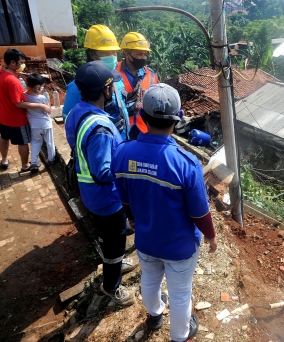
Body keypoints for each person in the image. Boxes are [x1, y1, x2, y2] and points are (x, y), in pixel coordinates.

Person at [113, 83, 218, 342]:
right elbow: (199, 213)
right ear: (177, 118)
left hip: (147, 240)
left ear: (143, 117)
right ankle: (180, 335)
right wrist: (211, 236)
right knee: (180, 292)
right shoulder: (186, 163)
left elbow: (124, 200)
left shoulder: (123, 153)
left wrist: (136, 221)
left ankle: (155, 314)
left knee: (150, 279)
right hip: (179, 247)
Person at [65, 61, 136, 306]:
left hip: (89, 193)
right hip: (105, 199)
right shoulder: (102, 129)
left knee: (113, 238)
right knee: (114, 241)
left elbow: (74, 143)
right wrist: (127, 162)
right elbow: (104, 173)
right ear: (106, 90)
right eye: (112, 86)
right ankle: (111, 287)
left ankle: (115, 261)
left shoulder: (78, 111)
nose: (114, 90)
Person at [63, 24, 130, 140]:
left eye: (114, 52)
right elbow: (70, 122)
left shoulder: (117, 79)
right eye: (107, 53)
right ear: (92, 54)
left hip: (121, 145)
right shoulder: (79, 85)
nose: (113, 57)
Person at [0, 49, 51, 172]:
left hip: (1, 115)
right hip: (15, 119)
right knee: (23, 142)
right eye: (21, 62)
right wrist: (41, 106)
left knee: (4, 137)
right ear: (13, 62)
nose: (23, 65)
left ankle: (4, 160)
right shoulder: (13, 81)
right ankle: (25, 165)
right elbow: (19, 104)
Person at [116, 32, 159, 139]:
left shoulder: (152, 75)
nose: (143, 58)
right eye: (139, 54)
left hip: (144, 131)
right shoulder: (114, 72)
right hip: (121, 130)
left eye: (145, 54)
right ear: (126, 53)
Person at [24, 73, 56, 173]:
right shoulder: (42, 98)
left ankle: (33, 162)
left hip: (34, 125)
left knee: (35, 142)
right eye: (41, 86)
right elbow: (48, 110)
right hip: (45, 124)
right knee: (50, 142)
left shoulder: (24, 97)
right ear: (38, 86)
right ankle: (51, 159)